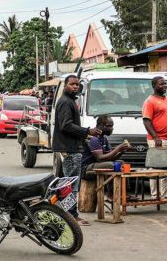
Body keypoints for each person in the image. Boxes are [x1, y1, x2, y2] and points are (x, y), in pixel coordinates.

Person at [52, 74, 102, 226]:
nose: (75, 86)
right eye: (72, 84)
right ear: (65, 85)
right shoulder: (66, 102)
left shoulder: (70, 101)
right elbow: (66, 126)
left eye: (77, 84)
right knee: (71, 185)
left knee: (70, 183)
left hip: (72, 146)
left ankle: (68, 213)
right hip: (69, 148)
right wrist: (87, 131)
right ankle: (71, 215)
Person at [81, 115, 133, 202]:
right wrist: (118, 148)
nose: (111, 129)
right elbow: (100, 158)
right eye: (109, 126)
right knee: (112, 165)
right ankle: (111, 194)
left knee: (121, 163)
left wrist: (122, 151)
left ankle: (124, 192)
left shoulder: (104, 138)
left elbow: (110, 157)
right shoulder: (94, 138)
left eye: (112, 126)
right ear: (101, 125)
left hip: (98, 165)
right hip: (87, 169)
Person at [142, 76, 167, 199]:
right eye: (161, 84)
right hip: (157, 139)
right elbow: (147, 121)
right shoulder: (149, 101)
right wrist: (155, 137)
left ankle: (163, 195)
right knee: (157, 166)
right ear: (154, 86)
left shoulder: (165, 99)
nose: (164, 86)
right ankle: (155, 195)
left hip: (166, 139)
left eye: (165, 84)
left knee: (165, 168)